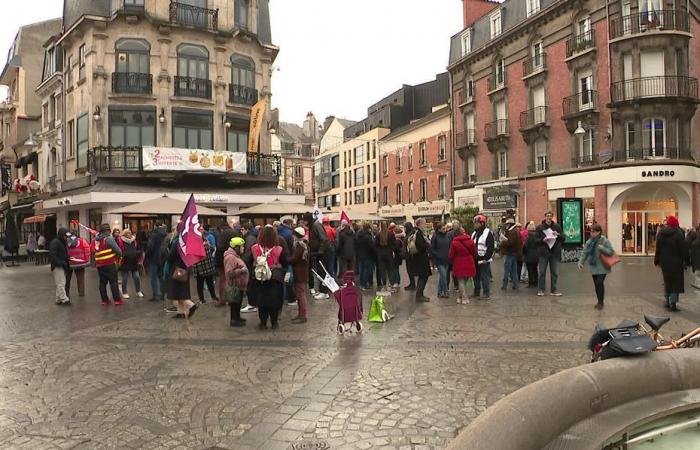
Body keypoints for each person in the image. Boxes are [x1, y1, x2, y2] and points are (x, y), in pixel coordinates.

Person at [248, 225, 288, 329]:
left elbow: (248, 262)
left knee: (261, 301)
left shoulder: (254, 248)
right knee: (274, 301)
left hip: (259, 278)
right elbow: (285, 263)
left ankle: (263, 322)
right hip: (275, 278)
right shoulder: (279, 249)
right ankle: (274, 322)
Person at [654, 215, 689, 311]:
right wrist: (687, 260)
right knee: (675, 282)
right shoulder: (679, 233)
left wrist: (657, 259)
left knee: (667, 281)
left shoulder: (661, 232)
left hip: (664, 262)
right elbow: (683, 249)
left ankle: (667, 301)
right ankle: (673, 302)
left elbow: (658, 247)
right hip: (676, 262)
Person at [577, 224, 615, 310]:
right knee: (596, 285)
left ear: (598, 232)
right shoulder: (589, 242)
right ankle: (599, 301)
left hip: (603, 266)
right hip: (593, 266)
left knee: (599, 283)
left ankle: (601, 302)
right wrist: (581, 262)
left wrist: (602, 248)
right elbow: (585, 253)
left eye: (593, 232)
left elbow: (611, 252)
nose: (591, 233)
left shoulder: (604, 241)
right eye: (591, 231)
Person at [165, 232, 198, 319]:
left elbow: (170, 256)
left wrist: (167, 253)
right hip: (185, 268)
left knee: (177, 291)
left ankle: (191, 305)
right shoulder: (189, 243)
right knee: (181, 290)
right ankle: (181, 312)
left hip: (177, 269)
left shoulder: (178, 243)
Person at [91, 224, 124, 306]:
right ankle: (117, 300)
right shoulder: (109, 239)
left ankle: (104, 300)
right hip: (110, 264)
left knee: (102, 282)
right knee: (113, 282)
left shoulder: (95, 240)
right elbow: (119, 251)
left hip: (99, 265)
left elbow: (92, 251)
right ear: (108, 231)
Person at [536, 211, 564, 297]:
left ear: (552, 217)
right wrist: (542, 240)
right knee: (542, 272)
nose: (549, 218)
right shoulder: (540, 227)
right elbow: (535, 240)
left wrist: (558, 235)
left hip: (554, 252)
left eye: (550, 216)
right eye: (547, 216)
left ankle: (554, 290)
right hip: (543, 252)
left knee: (555, 272)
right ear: (545, 217)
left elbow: (563, 238)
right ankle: (541, 289)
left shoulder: (557, 226)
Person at [448, 226, 476, 304]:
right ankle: (460, 297)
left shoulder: (454, 243)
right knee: (466, 280)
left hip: (458, 262)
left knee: (461, 281)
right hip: (469, 262)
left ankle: (464, 298)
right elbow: (474, 252)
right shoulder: (470, 241)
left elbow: (450, 255)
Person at [224, 237, 248, 327]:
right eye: (242, 246)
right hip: (235, 284)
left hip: (239, 284)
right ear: (236, 247)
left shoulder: (235, 256)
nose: (243, 248)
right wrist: (242, 271)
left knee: (238, 303)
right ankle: (234, 320)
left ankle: (237, 317)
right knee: (235, 304)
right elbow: (229, 272)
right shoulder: (230, 258)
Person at [288, 227, 310, 324]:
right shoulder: (304, 243)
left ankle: (302, 315)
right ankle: (301, 314)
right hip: (302, 271)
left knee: (300, 294)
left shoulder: (300, 245)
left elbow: (295, 258)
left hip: (300, 272)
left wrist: (286, 259)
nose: (292, 236)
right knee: (300, 293)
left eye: (294, 234)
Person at [470, 215, 494, 301]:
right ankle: (476, 292)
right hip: (475, 259)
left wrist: (486, 258)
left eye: (476, 223)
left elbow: (490, 247)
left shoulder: (487, 233)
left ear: (482, 223)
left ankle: (486, 293)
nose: (475, 225)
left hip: (484, 260)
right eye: (474, 223)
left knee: (484, 277)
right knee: (475, 277)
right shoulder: (474, 233)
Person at [192, 233, 219, 304]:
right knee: (210, 283)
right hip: (208, 267)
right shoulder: (207, 245)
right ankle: (213, 296)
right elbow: (213, 249)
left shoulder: (194, 248)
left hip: (199, 269)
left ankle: (202, 299)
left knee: (200, 284)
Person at [215, 224, 237, 307]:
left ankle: (222, 300)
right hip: (233, 257)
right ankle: (232, 299)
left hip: (221, 258)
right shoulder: (235, 232)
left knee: (222, 279)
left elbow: (219, 247)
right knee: (232, 279)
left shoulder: (222, 234)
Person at [410, 218, 432, 302]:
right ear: (419, 224)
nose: (424, 225)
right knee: (423, 277)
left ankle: (420, 295)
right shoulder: (418, 232)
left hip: (419, 258)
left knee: (422, 277)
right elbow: (420, 245)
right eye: (424, 223)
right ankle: (419, 296)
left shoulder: (416, 232)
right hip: (420, 259)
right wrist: (427, 244)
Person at [48, 228, 71, 305]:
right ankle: (64, 299)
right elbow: (53, 255)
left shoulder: (61, 242)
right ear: (62, 235)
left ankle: (58, 299)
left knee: (61, 282)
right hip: (57, 266)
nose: (67, 238)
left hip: (61, 265)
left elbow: (61, 254)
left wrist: (67, 258)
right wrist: (60, 262)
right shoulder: (56, 242)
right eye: (66, 236)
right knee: (61, 283)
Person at [145, 223, 167, 302]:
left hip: (154, 258)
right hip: (162, 259)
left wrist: (147, 255)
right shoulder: (165, 235)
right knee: (161, 277)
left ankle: (156, 295)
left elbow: (150, 246)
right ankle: (163, 294)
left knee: (153, 278)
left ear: (155, 227)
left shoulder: (154, 234)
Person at [119, 229, 144, 299]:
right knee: (125, 278)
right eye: (127, 233)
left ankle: (138, 291)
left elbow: (139, 249)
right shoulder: (121, 241)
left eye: (130, 233)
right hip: (125, 262)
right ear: (124, 234)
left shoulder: (134, 241)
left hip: (133, 262)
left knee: (137, 277)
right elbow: (120, 251)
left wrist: (138, 254)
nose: (129, 234)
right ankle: (125, 292)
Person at [499, 218, 522, 291]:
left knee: (507, 270)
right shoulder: (516, 230)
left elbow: (510, 243)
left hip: (509, 253)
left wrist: (503, 242)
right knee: (514, 270)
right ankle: (515, 284)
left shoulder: (512, 231)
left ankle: (504, 285)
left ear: (509, 224)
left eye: (507, 224)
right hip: (514, 253)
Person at [66, 232, 91, 297]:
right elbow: (87, 249)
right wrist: (86, 259)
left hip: (69, 262)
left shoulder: (66, 241)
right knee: (81, 279)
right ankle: (81, 293)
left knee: (67, 279)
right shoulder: (82, 240)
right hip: (80, 262)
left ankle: (66, 292)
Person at [430, 222, 451, 298]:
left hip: (447, 259)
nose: (445, 230)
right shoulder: (435, 236)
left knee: (442, 276)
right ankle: (445, 291)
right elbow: (432, 248)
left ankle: (439, 291)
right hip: (439, 260)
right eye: (443, 229)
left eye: (445, 228)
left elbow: (450, 246)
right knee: (444, 275)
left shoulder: (448, 236)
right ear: (439, 229)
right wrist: (437, 255)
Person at [375, 221, 396, 291]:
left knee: (382, 270)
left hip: (381, 255)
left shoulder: (378, 235)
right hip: (389, 253)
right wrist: (391, 249)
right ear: (387, 226)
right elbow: (395, 244)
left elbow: (375, 245)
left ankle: (384, 285)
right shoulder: (391, 234)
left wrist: (379, 252)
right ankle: (391, 284)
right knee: (390, 270)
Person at [356, 223, 375, 291]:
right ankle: (364, 284)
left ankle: (361, 284)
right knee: (367, 271)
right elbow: (372, 247)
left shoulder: (359, 235)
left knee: (361, 270)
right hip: (368, 255)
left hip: (360, 255)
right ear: (368, 228)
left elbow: (356, 246)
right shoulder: (368, 237)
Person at [522, 223, 540, 288]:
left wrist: (524, 254)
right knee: (535, 269)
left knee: (530, 270)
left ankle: (531, 283)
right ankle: (536, 282)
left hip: (529, 256)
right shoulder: (537, 236)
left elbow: (525, 247)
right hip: (536, 256)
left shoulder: (528, 237)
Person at [403, 222, 417, 290]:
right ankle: (412, 283)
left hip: (410, 255)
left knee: (410, 270)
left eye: (405, 227)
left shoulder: (410, 234)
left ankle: (413, 284)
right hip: (408, 255)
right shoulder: (409, 233)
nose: (404, 228)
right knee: (409, 270)